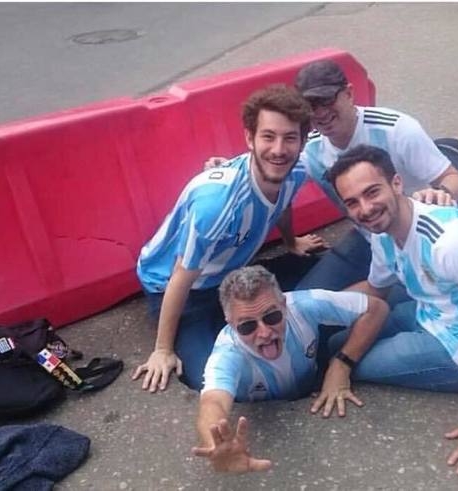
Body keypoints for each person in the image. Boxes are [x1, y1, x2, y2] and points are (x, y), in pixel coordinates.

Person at [326, 144, 458, 479]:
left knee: (348, 362)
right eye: (352, 202)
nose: (365, 208)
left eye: (372, 192)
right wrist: (305, 305)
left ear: (396, 183)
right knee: (335, 343)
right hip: (432, 312)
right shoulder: (382, 232)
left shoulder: (454, 242)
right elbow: (375, 291)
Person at [206, 59, 458, 292]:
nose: (321, 112)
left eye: (327, 100)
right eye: (311, 105)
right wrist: (228, 170)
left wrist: (440, 194)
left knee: (404, 308)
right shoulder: (310, 148)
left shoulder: (397, 129)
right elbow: (275, 177)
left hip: (416, 239)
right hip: (369, 238)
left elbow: (455, 179)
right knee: (309, 301)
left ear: (349, 94)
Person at [132, 85, 326, 393]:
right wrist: (163, 350)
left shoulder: (296, 170)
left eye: (290, 138)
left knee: (325, 269)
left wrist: (291, 242)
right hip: (180, 287)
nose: (279, 149)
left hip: (231, 274)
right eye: (268, 136)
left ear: (302, 142)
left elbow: (283, 202)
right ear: (249, 138)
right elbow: (181, 276)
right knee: (208, 377)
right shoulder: (217, 204)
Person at [192, 265, 389, 473]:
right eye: (247, 326)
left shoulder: (304, 305)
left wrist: (341, 364)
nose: (264, 333)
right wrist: (217, 446)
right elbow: (212, 402)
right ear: (230, 324)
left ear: (284, 305)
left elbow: (376, 309)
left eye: (271, 317)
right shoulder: (227, 353)